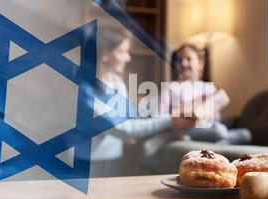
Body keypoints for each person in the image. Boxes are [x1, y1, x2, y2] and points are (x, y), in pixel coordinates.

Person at [89, 27, 195, 177]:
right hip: (91, 167)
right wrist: (170, 120)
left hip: (115, 161)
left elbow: (128, 117)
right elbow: (123, 129)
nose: (128, 58)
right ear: (105, 55)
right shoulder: (87, 90)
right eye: (122, 52)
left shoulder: (117, 82)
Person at [156, 44, 252, 145]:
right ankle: (208, 146)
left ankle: (211, 147)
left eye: (188, 59)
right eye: (180, 60)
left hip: (208, 129)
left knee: (245, 134)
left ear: (200, 64)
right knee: (219, 130)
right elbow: (157, 116)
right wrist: (181, 113)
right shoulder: (171, 87)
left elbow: (216, 120)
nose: (183, 63)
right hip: (187, 129)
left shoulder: (210, 88)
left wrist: (208, 107)